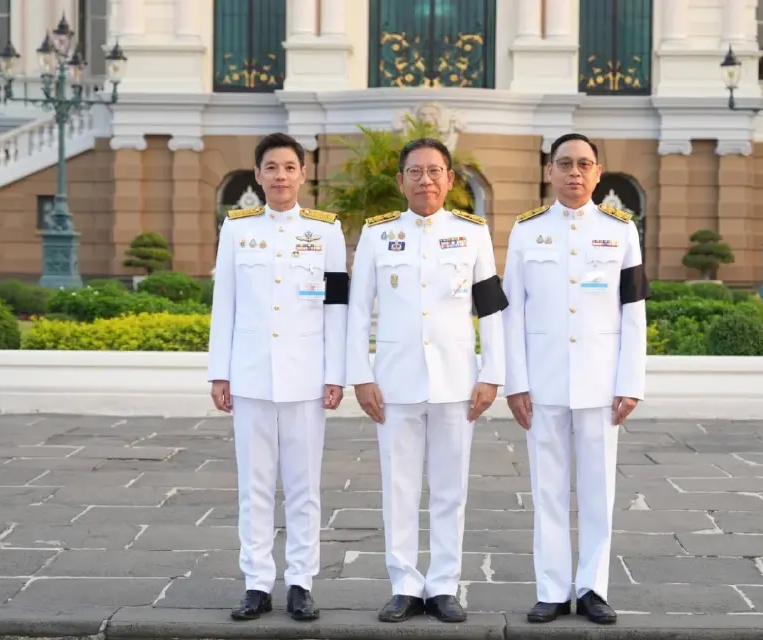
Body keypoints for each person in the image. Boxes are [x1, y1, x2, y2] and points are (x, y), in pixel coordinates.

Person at [346, 138, 507, 624]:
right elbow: (357, 312)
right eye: (415, 172)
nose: (425, 180)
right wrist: (360, 375)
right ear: (400, 181)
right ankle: (404, 585)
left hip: (457, 381)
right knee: (398, 485)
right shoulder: (377, 235)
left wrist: (492, 372)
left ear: (450, 180)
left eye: (435, 171)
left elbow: (491, 310)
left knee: (449, 487)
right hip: (393, 382)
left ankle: (442, 586)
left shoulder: (473, 233)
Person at [502, 133, 649, 625]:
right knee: (547, 488)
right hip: (542, 382)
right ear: (549, 171)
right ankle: (551, 589)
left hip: (599, 384)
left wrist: (630, 381)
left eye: (584, 164)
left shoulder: (622, 231)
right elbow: (511, 314)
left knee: (597, 490)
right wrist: (515, 383)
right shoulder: (526, 232)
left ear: (598, 172)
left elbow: (634, 312)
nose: (574, 172)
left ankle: (592, 588)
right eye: (564, 163)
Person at [207, 132, 349, 623]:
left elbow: (337, 308)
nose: (281, 176)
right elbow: (223, 302)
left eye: (290, 167)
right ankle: (255, 583)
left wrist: (337, 374)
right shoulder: (238, 229)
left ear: (303, 174)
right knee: (255, 485)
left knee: (305, 485)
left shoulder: (328, 231)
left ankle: (301, 582)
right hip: (250, 375)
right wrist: (218, 372)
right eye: (272, 167)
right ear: (259, 174)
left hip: (306, 377)